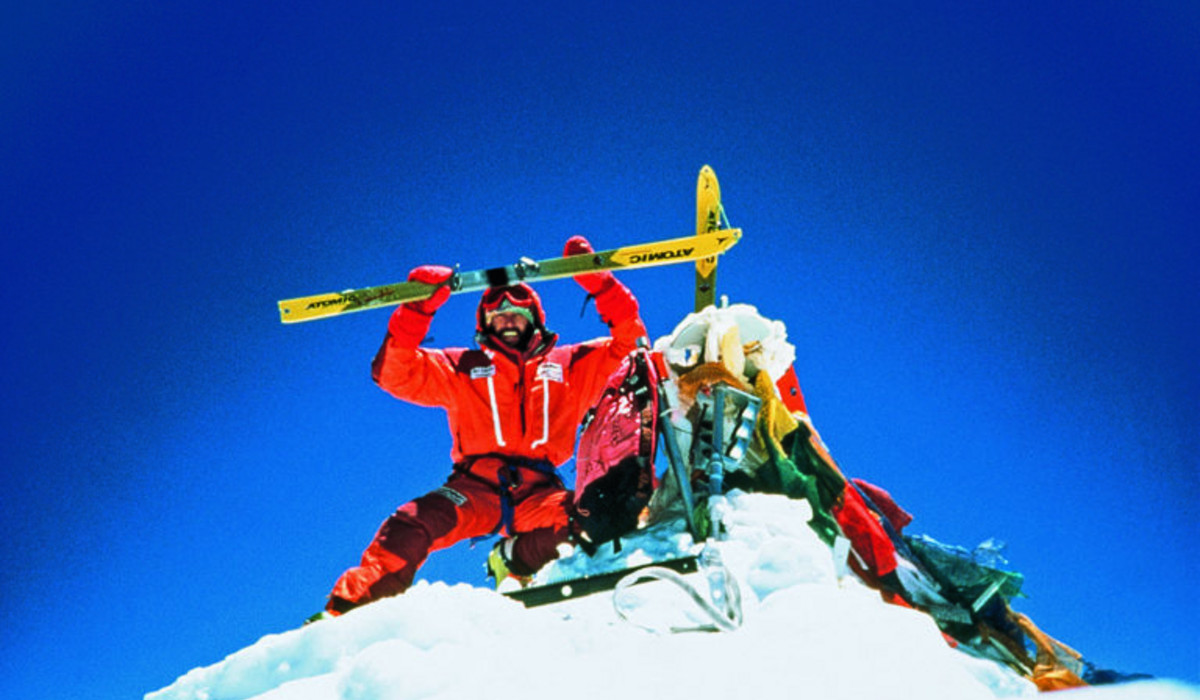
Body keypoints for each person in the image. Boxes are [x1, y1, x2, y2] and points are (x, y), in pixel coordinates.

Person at [323, 235, 647, 614]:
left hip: (540, 492)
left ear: (535, 321)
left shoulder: (568, 364)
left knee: (601, 516)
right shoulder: (463, 366)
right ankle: (349, 610)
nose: (508, 323)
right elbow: (395, 373)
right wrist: (416, 311)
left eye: (517, 316)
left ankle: (514, 558)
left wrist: (600, 283)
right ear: (485, 324)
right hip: (475, 487)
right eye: (498, 317)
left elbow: (632, 348)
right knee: (412, 523)